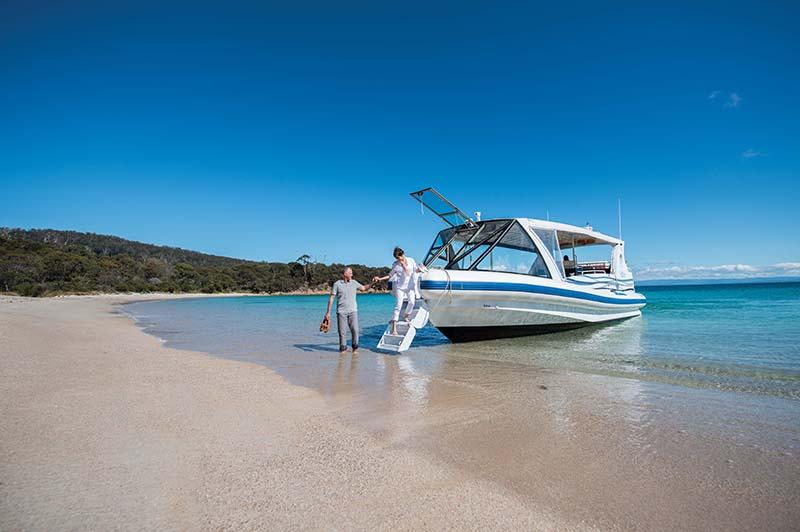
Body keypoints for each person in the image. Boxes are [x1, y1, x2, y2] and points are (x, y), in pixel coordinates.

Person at [373, 247, 424, 335]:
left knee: (412, 302)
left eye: (399, 256)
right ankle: (394, 328)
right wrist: (380, 279)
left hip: (410, 286)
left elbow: (415, 270)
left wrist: (420, 269)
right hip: (400, 287)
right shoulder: (395, 265)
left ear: (402, 254)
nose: (399, 259)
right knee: (398, 305)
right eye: (397, 258)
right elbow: (390, 275)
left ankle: (406, 315)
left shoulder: (411, 260)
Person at [324, 267, 373, 354]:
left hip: (353, 311)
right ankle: (343, 350)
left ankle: (355, 349)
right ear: (344, 274)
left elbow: (364, 288)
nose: (352, 274)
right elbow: (331, 298)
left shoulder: (354, 283)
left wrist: (372, 283)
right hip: (341, 312)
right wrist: (328, 312)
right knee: (342, 332)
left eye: (352, 273)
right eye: (350, 273)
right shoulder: (337, 284)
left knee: (355, 330)